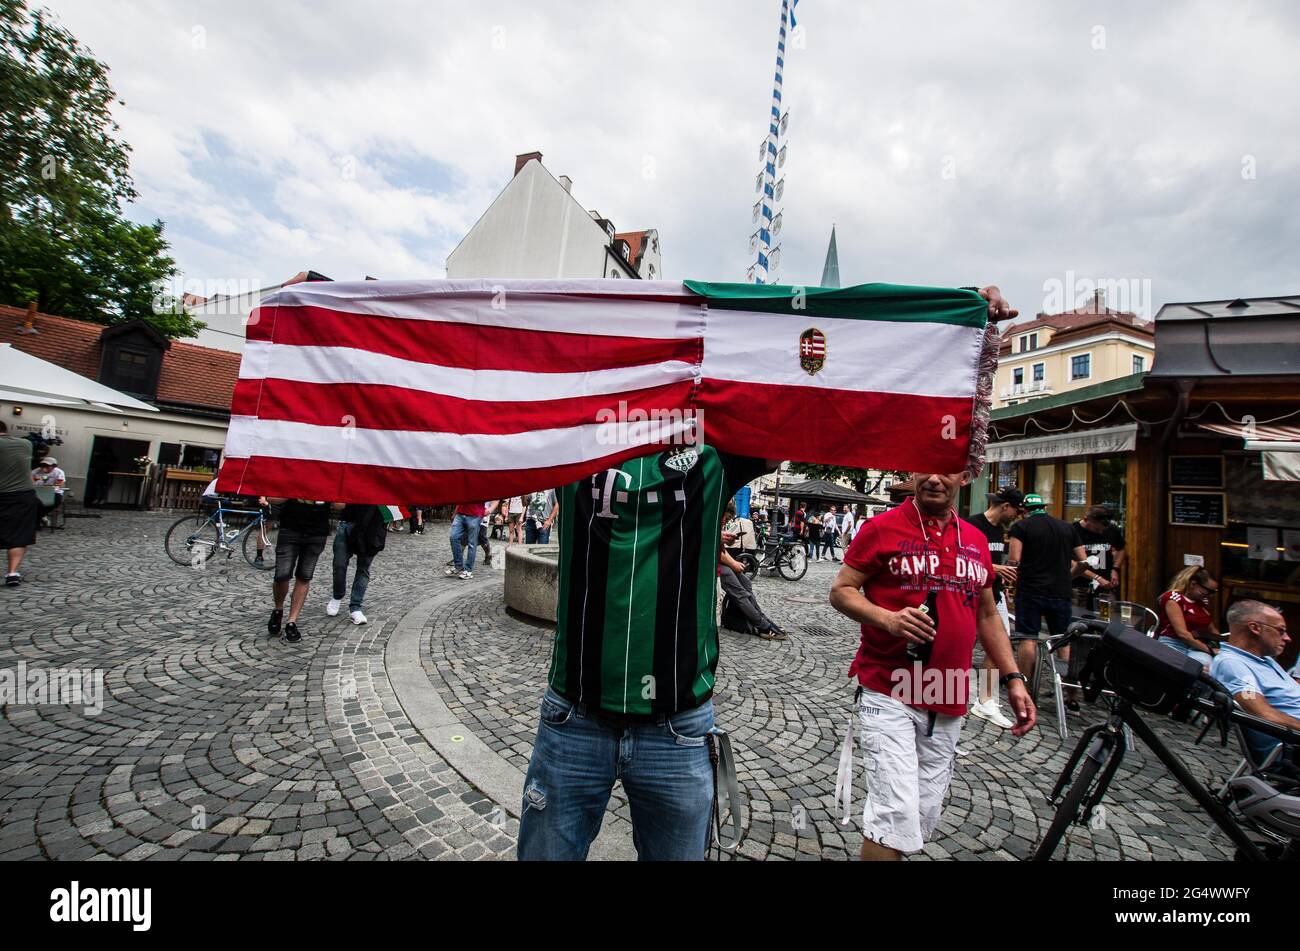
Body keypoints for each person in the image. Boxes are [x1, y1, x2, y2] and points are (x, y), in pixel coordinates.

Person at [517, 444, 776, 860]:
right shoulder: (570, 426)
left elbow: (787, 422)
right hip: (575, 717)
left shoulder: (718, 446)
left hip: (677, 727)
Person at [830, 470, 1036, 860]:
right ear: (912, 473)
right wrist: (886, 618)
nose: (936, 479)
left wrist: (1012, 678)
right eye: (926, 468)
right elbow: (841, 591)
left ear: (965, 475)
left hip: (948, 694)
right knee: (895, 813)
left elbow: (988, 615)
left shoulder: (974, 539)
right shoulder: (881, 528)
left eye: (948, 470)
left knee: (922, 814)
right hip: (889, 688)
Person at [1007, 492, 1088, 708]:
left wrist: (1010, 582)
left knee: (1028, 638)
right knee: (1065, 641)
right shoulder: (1067, 528)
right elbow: (1084, 561)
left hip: (1031, 590)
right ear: (1044, 507)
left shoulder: (1021, 527)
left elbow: (1015, 560)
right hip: (1060, 591)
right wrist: (1069, 576)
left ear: (1024, 510)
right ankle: (1071, 694)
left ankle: (1025, 689)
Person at [1210, 600, 1299, 766]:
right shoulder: (1234, 664)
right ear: (1255, 628)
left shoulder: (1264, 660)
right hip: (1290, 749)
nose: (1287, 638)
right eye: (1281, 631)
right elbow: (1262, 713)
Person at [968, 488, 1025, 729]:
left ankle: (985, 698)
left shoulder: (1000, 531)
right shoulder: (973, 525)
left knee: (1000, 641)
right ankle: (943, 692)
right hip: (969, 593)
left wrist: (999, 579)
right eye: (1016, 510)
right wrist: (995, 569)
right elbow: (964, 558)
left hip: (994, 593)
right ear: (1005, 506)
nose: (1017, 516)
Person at [267, 498, 331, 642]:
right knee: (282, 575)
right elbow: (272, 498)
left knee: (304, 576)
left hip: (317, 531)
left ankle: (292, 621)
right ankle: (278, 609)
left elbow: (340, 505)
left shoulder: (329, 478)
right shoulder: (292, 475)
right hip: (290, 527)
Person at [328, 504, 387, 624]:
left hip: (371, 527)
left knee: (363, 569)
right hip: (348, 522)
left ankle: (355, 606)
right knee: (339, 564)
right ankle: (337, 595)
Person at [1154, 566, 1221, 671]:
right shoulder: (1174, 598)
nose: (1209, 595)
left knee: (1208, 668)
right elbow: (1183, 634)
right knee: (1186, 669)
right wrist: (1210, 650)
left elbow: (1211, 629)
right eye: (1207, 591)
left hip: (1196, 645)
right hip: (1174, 642)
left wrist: (1225, 647)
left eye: (1213, 592)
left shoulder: (1202, 602)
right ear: (1193, 584)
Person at [719, 543, 786, 640]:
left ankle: (763, 619)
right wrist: (733, 564)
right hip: (710, 564)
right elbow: (713, 548)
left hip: (721, 561)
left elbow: (721, 549)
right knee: (739, 593)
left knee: (746, 583)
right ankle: (763, 626)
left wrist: (733, 562)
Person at [0, 422, 39, 587]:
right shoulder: (26, 444)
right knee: (18, 536)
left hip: (2, 494)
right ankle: (12, 573)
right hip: (24, 495)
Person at [1072, 505, 1127, 605]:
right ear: (1086, 519)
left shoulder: (1111, 529)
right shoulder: (1072, 531)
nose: (1101, 532)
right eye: (1097, 529)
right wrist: (1096, 577)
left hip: (1105, 585)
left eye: (1103, 530)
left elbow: (1121, 549)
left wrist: (1115, 569)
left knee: (1106, 616)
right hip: (1080, 587)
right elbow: (1070, 562)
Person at [448, 501, 488, 579]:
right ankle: (458, 566)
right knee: (453, 537)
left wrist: (489, 510)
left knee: (472, 543)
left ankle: (468, 570)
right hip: (460, 513)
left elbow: (496, 499)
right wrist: (455, 513)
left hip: (475, 515)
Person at [31, 456, 66, 523]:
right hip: (38, 492)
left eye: (47, 465)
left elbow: (60, 484)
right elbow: (30, 482)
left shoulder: (59, 472)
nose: (44, 467)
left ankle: (40, 516)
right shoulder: (36, 471)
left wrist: (53, 485)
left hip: (53, 492)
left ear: (54, 466)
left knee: (57, 499)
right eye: (43, 465)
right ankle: (40, 518)